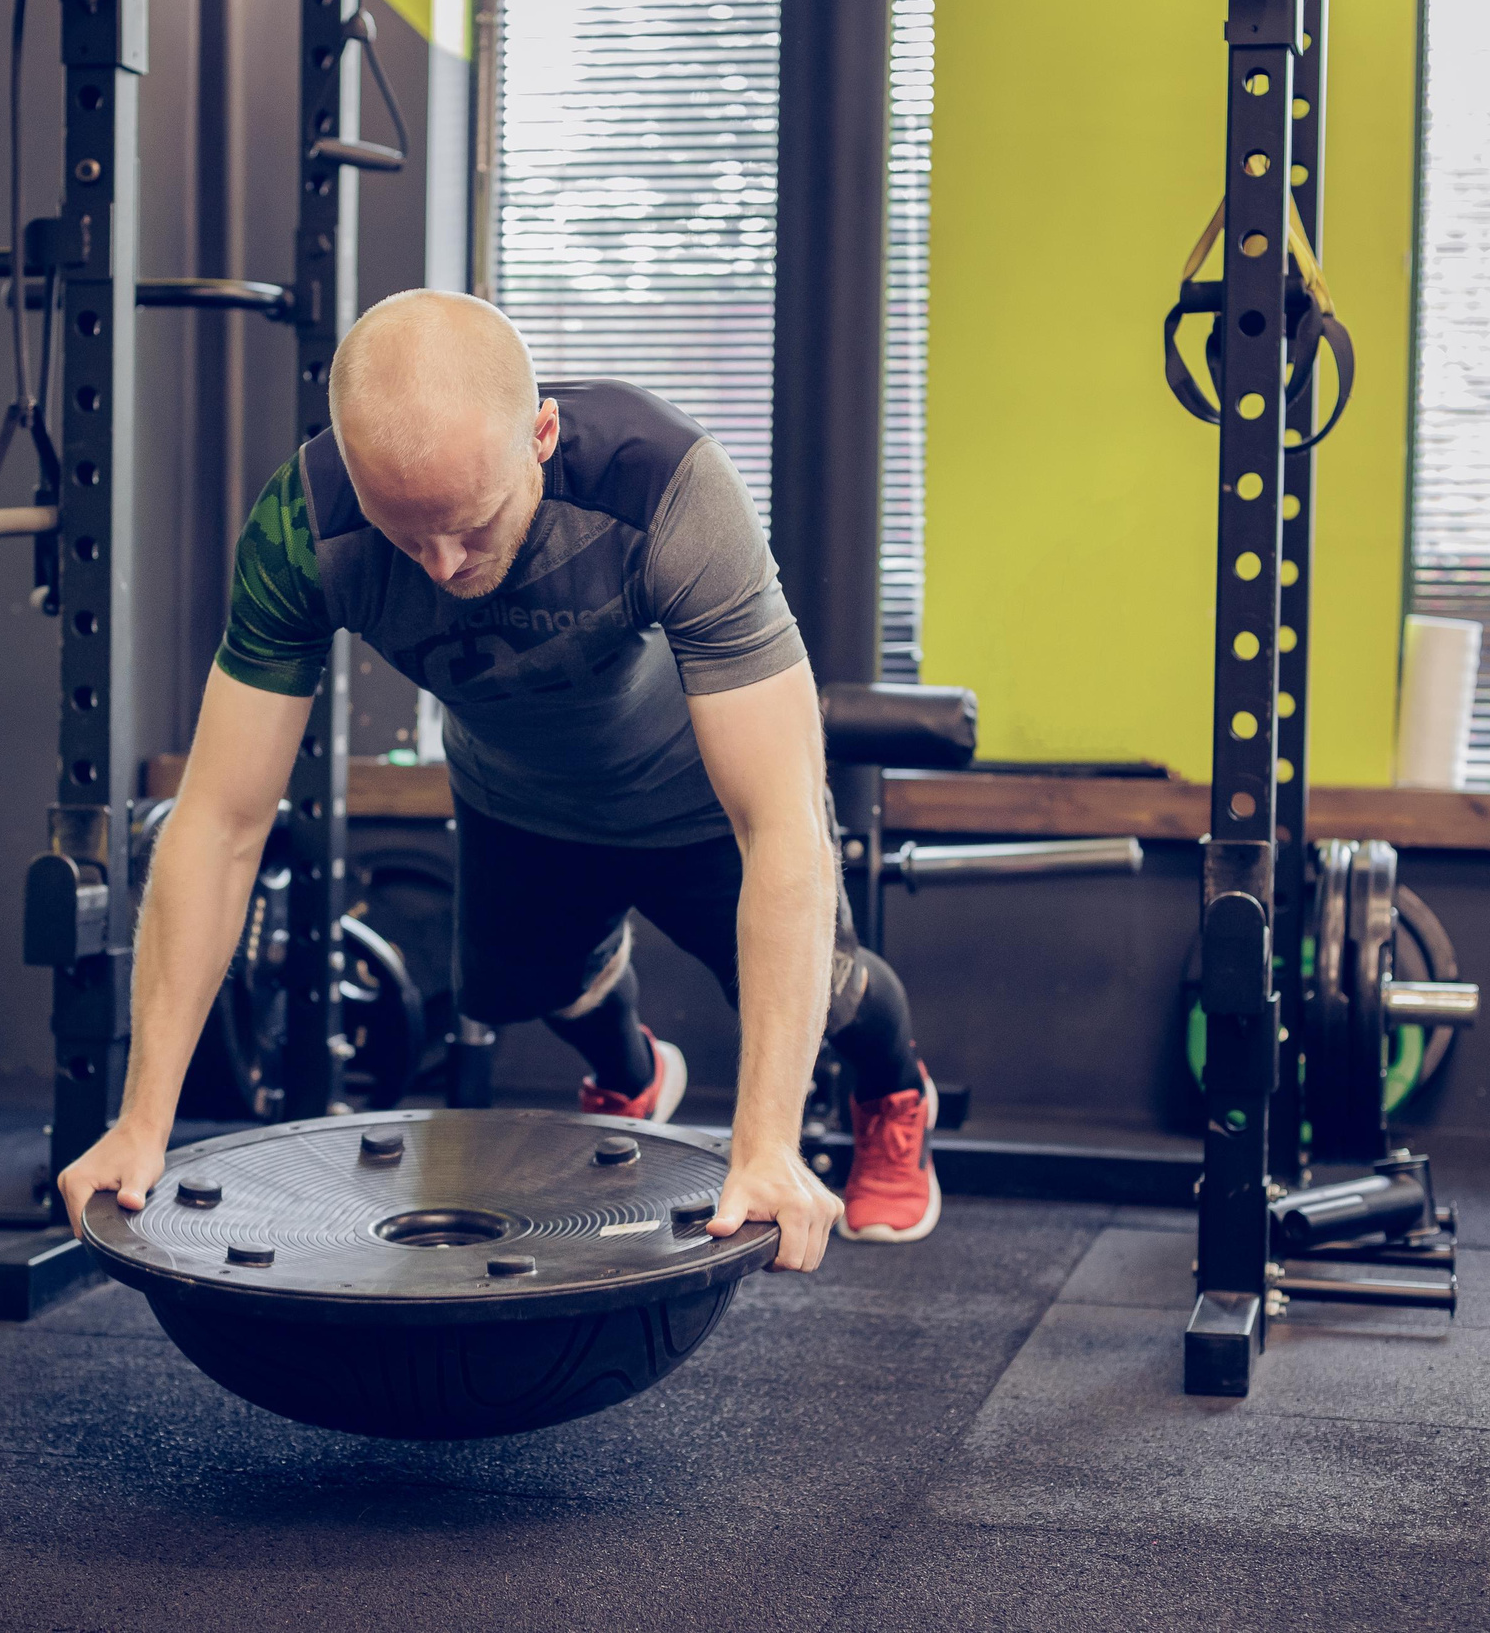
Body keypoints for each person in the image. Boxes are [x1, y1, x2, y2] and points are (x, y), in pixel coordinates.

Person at [57, 290, 939, 1270]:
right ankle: (637, 1074)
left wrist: (765, 1144)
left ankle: (894, 1093)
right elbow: (220, 822)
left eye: (470, 528)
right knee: (535, 988)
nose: (439, 566)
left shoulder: (662, 486)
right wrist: (143, 1122)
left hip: (698, 803)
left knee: (832, 992)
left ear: (542, 437)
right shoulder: (304, 528)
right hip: (518, 799)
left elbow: (779, 822)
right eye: (406, 536)